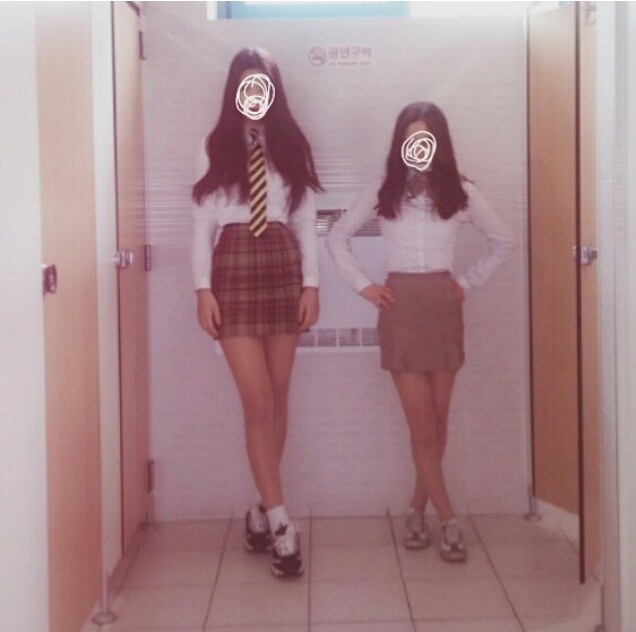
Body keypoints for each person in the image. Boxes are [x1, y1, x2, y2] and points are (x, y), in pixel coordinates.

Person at [327, 102, 515, 562]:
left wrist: (466, 282)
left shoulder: (460, 191)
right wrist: (364, 286)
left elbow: (504, 240)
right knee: (421, 422)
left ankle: (416, 507)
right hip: (401, 307)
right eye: (410, 138)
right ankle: (448, 518)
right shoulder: (384, 188)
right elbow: (336, 236)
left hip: (442, 307)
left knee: (438, 419)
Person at [191, 47, 321, 578]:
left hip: (283, 264)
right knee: (258, 399)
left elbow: (307, 220)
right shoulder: (213, 145)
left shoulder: (292, 144)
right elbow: (201, 225)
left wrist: (312, 284)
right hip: (234, 265)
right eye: (246, 84)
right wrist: (202, 289)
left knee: (278, 397)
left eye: (262, 83)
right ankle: (283, 523)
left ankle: (262, 510)